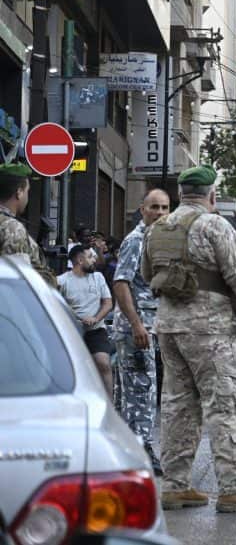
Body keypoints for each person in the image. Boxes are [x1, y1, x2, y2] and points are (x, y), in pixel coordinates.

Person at [142, 165, 236, 513]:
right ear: (211, 195)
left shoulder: (157, 229)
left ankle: (175, 486)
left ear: (180, 194)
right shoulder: (214, 225)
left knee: (177, 406)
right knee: (225, 404)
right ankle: (233, 489)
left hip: (169, 327)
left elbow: (147, 273)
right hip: (211, 330)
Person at [111, 189, 170, 475]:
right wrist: (136, 324)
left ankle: (125, 451)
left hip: (148, 326)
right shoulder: (136, 240)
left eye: (165, 208)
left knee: (130, 391)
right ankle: (141, 450)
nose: (159, 212)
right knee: (141, 390)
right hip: (136, 330)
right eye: (154, 207)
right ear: (142, 209)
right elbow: (121, 283)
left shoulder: (155, 240)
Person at [58, 244, 114, 395]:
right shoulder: (62, 281)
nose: (94, 260)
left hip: (96, 329)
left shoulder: (98, 277)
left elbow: (108, 303)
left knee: (103, 363)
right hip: (72, 332)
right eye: (90, 257)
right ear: (80, 260)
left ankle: (109, 402)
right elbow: (57, 307)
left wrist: (95, 318)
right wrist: (77, 320)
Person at [0, 162, 56, 285]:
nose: (27, 197)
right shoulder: (13, 229)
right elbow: (17, 283)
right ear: (19, 192)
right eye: (27, 191)